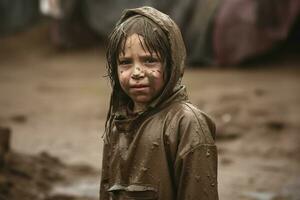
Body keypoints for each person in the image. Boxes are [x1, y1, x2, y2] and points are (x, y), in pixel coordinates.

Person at [100, 6, 218, 200]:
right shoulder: (117, 124)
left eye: (149, 60)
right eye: (126, 62)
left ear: (171, 63)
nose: (137, 72)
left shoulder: (186, 124)